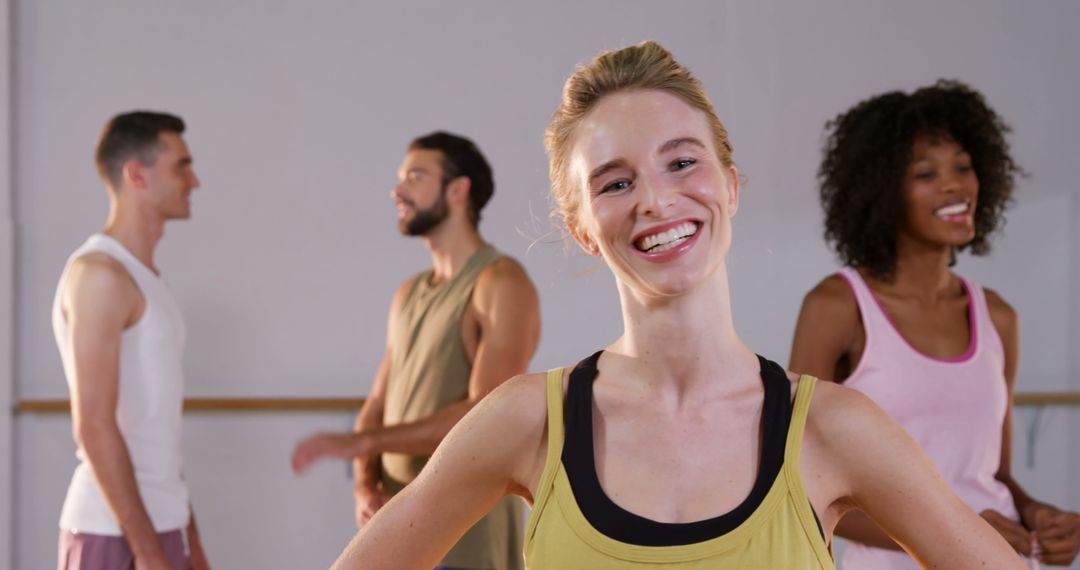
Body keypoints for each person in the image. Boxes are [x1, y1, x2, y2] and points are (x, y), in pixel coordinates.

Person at [326, 42, 1026, 569]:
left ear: (730, 185)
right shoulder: (525, 421)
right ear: (582, 231)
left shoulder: (835, 430)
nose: (656, 199)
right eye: (615, 182)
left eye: (682, 162)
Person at [790, 81, 1080, 568]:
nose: (954, 185)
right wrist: (956, 531)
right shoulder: (838, 306)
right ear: (881, 191)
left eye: (963, 168)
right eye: (926, 173)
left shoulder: (998, 317)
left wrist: (1036, 515)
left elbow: (992, 474)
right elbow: (799, 485)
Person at [292, 132, 540, 570]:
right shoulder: (407, 294)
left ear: (458, 189)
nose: (398, 190)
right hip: (397, 525)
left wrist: (363, 441)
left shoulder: (500, 283)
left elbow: (486, 415)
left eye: (415, 176)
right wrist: (365, 487)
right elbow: (377, 403)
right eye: (400, 178)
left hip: (466, 533)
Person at [52, 111, 209, 570]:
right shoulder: (99, 275)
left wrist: (188, 541)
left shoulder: (145, 280)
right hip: (113, 533)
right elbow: (94, 426)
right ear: (136, 175)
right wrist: (146, 552)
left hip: (164, 525)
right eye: (181, 165)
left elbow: (155, 433)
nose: (194, 180)